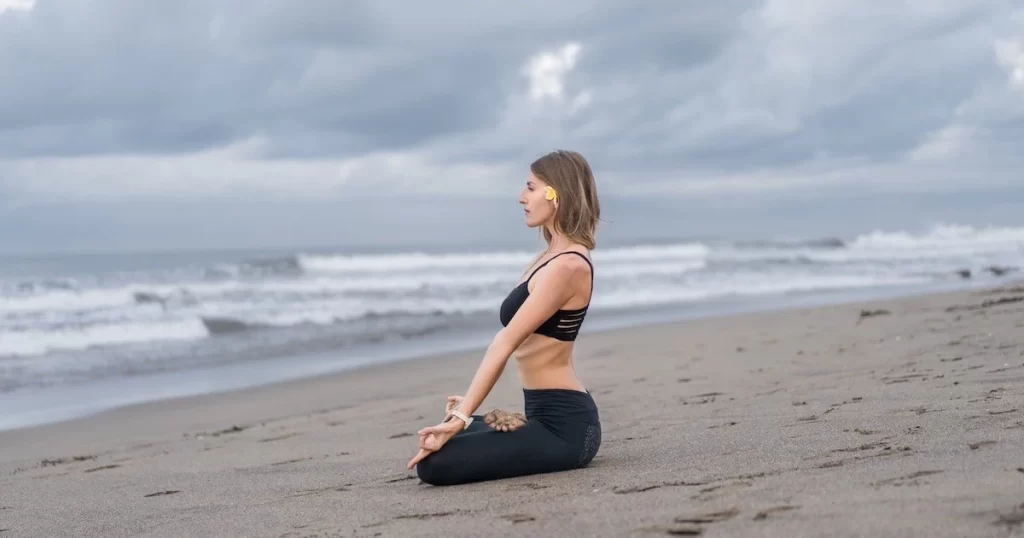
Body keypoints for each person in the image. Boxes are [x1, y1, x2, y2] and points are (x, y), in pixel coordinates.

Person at [406, 149, 603, 486]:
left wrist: (462, 416)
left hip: (568, 431)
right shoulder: (549, 257)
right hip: (541, 415)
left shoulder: (568, 266)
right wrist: (464, 410)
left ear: (556, 194)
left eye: (530, 187)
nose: (521, 197)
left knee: (434, 465)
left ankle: (477, 419)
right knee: (447, 430)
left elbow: (505, 342)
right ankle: (494, 421)